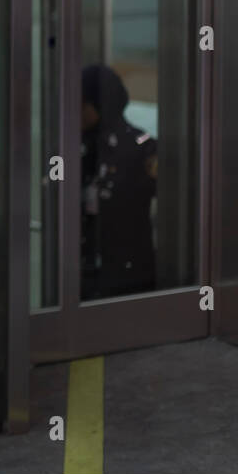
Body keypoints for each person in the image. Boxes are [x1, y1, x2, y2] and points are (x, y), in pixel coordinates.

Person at [79, 63, 157, 300]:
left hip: (126, 276)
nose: (76, 111)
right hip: (82, 272)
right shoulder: (72, 144)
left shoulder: (140, 148)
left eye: (82, 104)